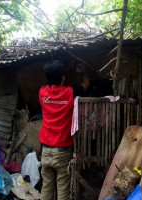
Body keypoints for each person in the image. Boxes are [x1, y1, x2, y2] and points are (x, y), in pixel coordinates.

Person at [39, 60, 89, 200]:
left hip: (46, 151)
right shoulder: (70, 92)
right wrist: (83, 71)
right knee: (63, 190)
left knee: (46, 188)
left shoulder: (42, 92)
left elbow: (53, 81)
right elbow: (86, 85)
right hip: (62, 151)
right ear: (63, 77)